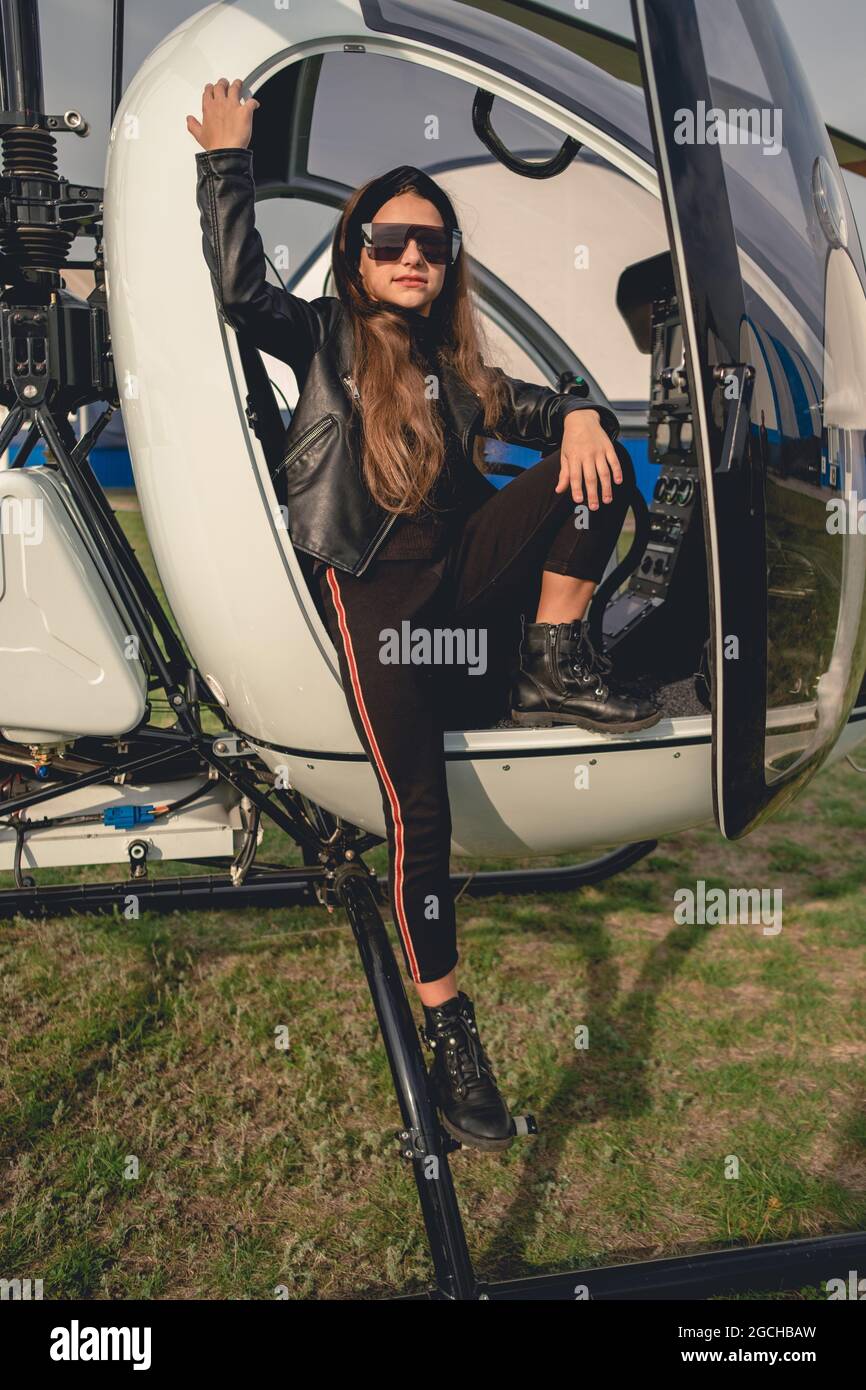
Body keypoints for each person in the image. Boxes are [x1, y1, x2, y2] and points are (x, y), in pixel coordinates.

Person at [188, 78, 660, 1152]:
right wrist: (226, 163)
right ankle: (451, 1027)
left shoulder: (457, 368)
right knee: (420, 816)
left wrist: (582, 408)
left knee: (593, 463)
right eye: (391, 239)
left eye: (432, 245)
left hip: (461, 584)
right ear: (355, 252)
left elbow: (537, 409)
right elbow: (236, 288)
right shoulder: (316, 336)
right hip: (376, 595)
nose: (413, 257)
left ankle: (553, 654)